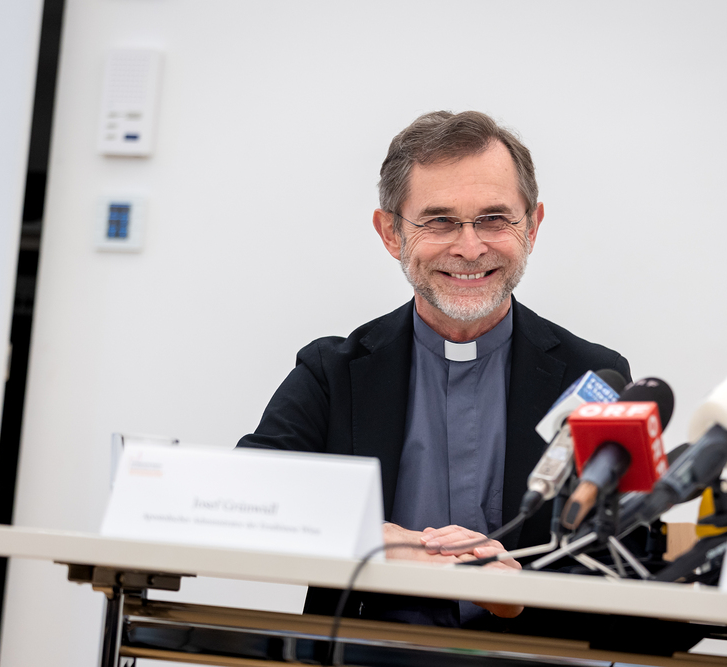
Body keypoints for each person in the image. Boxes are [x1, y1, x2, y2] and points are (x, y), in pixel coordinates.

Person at [238, 110, 630, 627]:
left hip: (529, 657)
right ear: (391, 233)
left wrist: (523, 594)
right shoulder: (332, 374)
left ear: (532, 227)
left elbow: (626, 553)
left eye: (494, 219)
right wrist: (380, 544)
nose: (469, 248)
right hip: (363, 654)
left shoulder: (594, 378)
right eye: (439, 221)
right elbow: (247, 494)